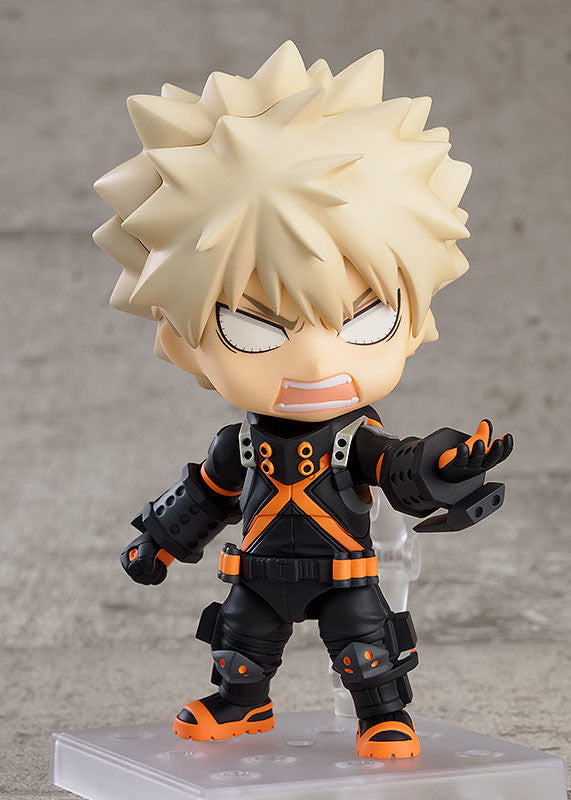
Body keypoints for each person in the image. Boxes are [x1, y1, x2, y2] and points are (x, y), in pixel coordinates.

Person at [93, 41, 513, 759]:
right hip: (257, 575)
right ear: (183, 338)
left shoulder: (354, 442)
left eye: (367, 321)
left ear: (414, 321)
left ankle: (383, 715)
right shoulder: (241, 445)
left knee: (366, 651)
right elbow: (205, 496)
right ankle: (242, 703)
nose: (317, 362)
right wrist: (157, 541)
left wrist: (447, 465)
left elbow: (404, 468)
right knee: (238, 647)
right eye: (255, 328)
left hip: (344, 574)